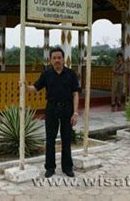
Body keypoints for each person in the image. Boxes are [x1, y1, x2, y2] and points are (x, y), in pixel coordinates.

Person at [24, 47, 79, 178]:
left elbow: (75, 94)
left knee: (66, 139)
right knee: (50, 139)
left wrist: (75, 112)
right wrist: (26, 87)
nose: (57, 60)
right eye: (54, 58)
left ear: (63, 59)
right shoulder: (46, 74)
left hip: (67, 109)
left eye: (59, 58)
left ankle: (67, 167)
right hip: (51, 108)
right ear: (50, 60)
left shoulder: (71, 74)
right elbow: (35, 88)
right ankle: (50, 168)